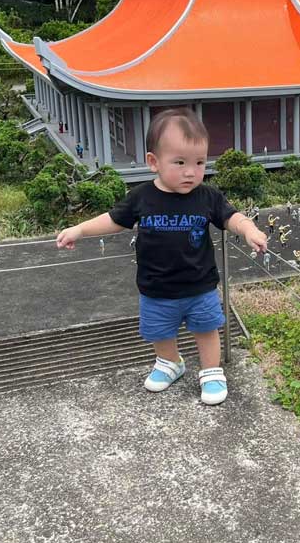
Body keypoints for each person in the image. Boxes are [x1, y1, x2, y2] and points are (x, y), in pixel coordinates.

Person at [56, 108, 267, 406]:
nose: (191, 172)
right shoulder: (142, 197)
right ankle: (170, 363)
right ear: (153, 161)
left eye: (199, 162)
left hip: (200, 286)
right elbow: (115, 219)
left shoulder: (207, 196)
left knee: (207, 329)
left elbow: (231, 216)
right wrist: (79, 229)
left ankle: (211, 370)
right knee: (159, 331)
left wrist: (249, 230)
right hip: (156, 288)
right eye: (180, 162)